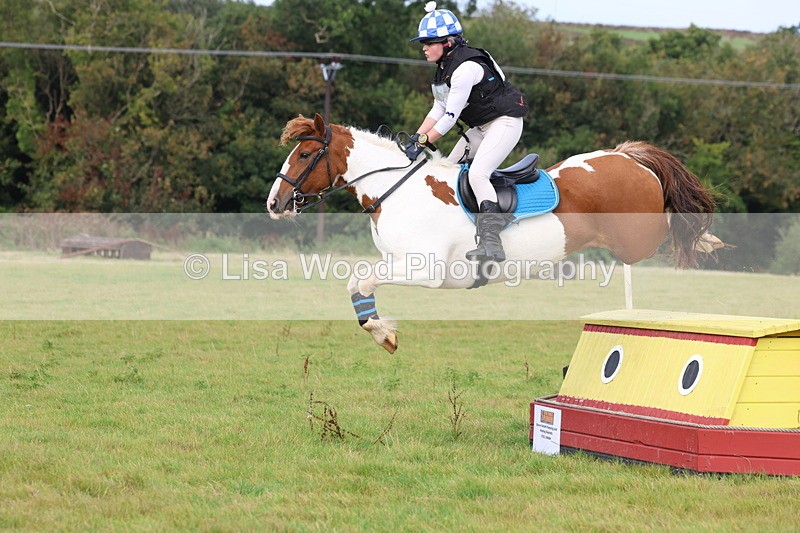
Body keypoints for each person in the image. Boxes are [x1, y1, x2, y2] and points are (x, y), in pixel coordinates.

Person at [406, 1, 529, 263]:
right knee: (446, 170)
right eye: (423, 44)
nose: (424, 48)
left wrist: (425, 141)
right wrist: (417, 137)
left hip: (504, 123)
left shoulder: (464, 69)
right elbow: (438, 107)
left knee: (478, 174)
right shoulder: (444, 69)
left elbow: (449, 118)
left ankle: (492, 244)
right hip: (481, 127)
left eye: (429, 42)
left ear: (448, 43)